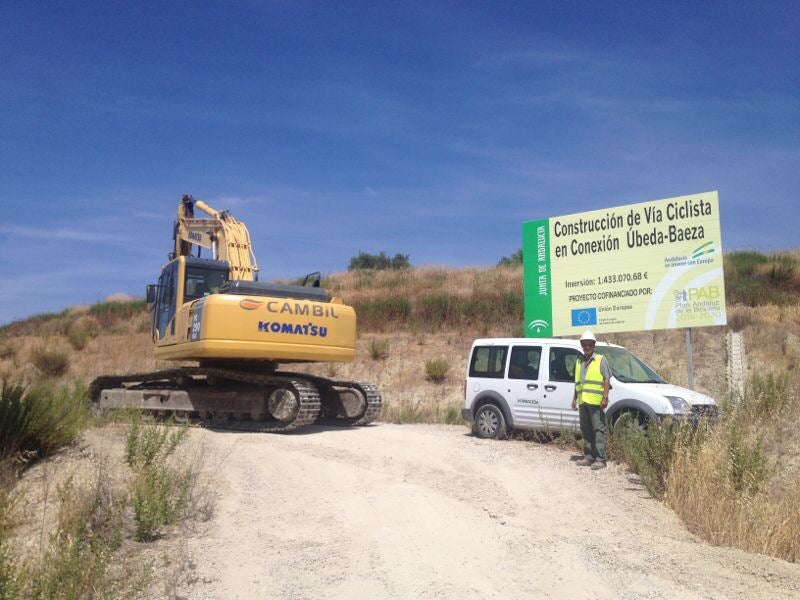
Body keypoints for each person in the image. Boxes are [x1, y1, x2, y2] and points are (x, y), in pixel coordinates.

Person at [571, 330, 611, 470]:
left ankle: (600, 459)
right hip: (583, 401)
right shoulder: (579, 361)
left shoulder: (600, 360)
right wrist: (574, 398)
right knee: (586, 429)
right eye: (584, 344)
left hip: (595, 402)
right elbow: (578, 382)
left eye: (589, 344)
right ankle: (589, 457)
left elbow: (607, 379)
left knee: (598, 430)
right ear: (582, 345)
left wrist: (605, 397)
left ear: (593, 345)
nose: (587, 346)